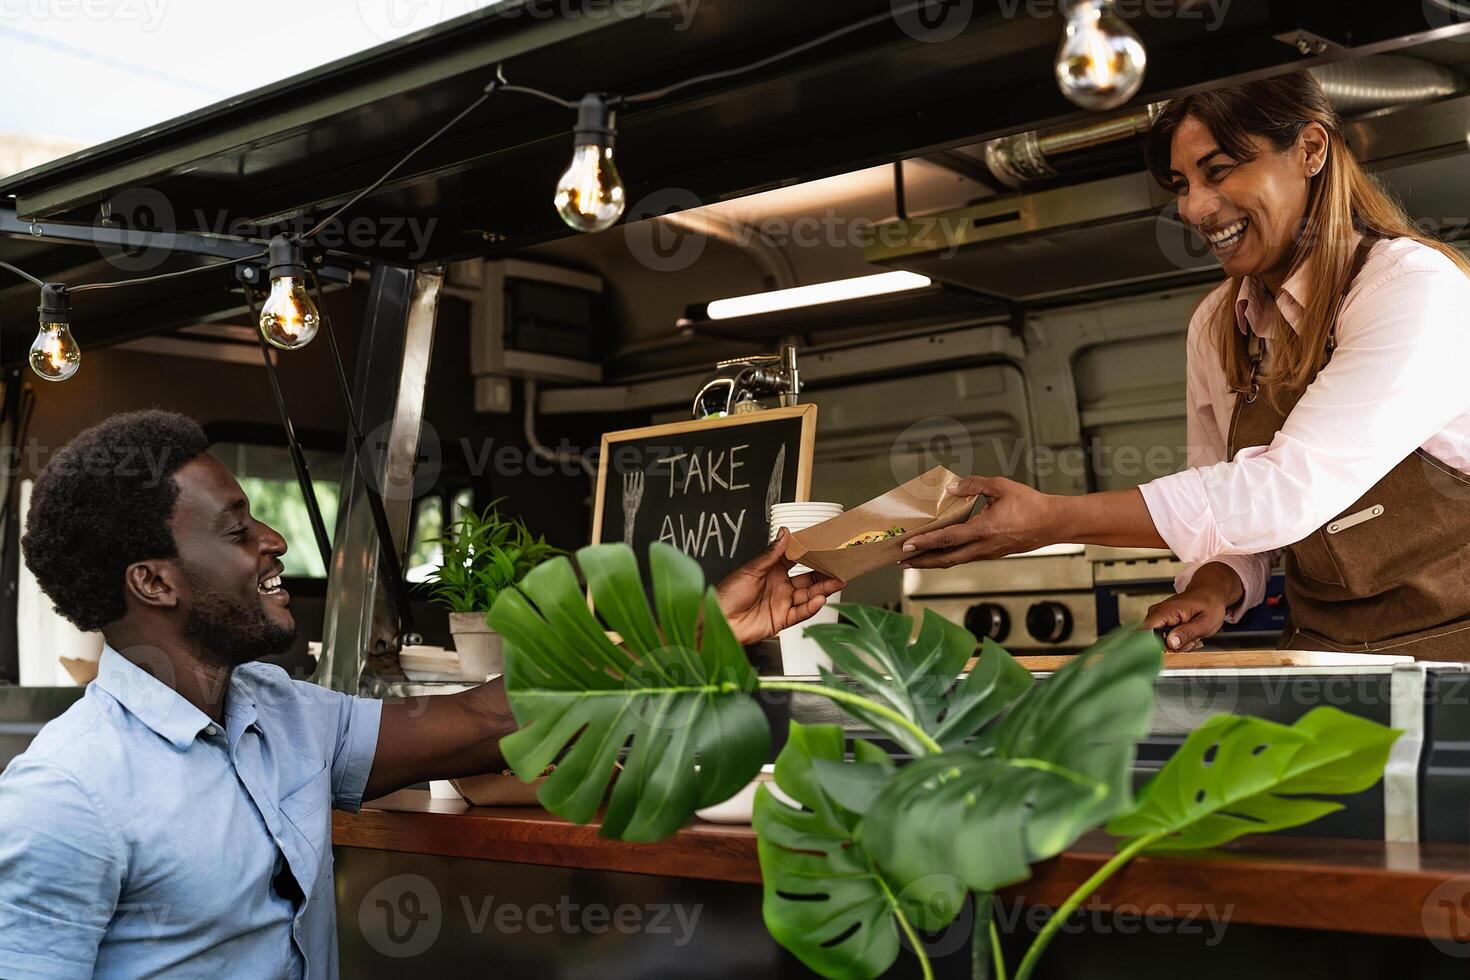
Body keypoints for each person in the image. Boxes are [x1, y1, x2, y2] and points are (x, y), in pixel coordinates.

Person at [0, 410, 840, 979]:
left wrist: (705, 631)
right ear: (153, 582)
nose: (273, 539)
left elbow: (488, 716)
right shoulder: (67, 796)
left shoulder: (281, 713)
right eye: (235, 529)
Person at [902, 71, 1470, 658]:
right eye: (1180, 183)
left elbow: (1285, 492)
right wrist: (1214, 583)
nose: (1194, 207)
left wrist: (1053, 519)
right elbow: (1237, 514)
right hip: (1329, 657)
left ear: (1310, 150)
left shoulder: (1408, 287)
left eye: (1219, 170)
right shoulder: (1218, 325)